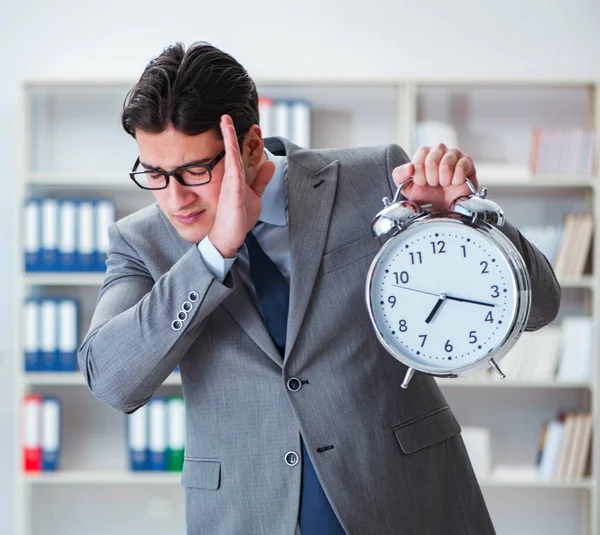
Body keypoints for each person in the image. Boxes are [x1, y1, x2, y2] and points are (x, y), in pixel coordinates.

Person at [78, 41, 561, 535]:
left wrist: (466, 222)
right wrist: (213, 253)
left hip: (406, 503)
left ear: (249, 145)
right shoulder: (140, 242)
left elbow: (540, 306)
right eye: (154, 174)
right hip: (247, 515)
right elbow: (112, 380)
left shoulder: (376, 178)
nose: (174, 198)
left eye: (194, 171)